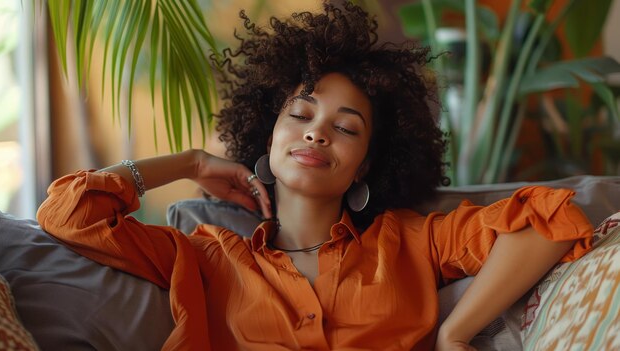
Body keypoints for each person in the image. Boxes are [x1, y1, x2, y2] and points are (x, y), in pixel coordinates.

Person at [37, 3, 593, 350]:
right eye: (300, 116)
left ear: (368, 163)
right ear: (267, 135)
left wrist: (455, 333)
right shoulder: (206, 257)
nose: (316, 134)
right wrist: (191, 163)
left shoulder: (412, 241)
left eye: (346, 129)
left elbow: (548, 215)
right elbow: (69, 212)